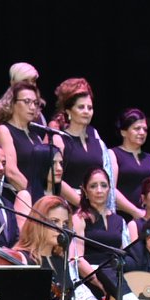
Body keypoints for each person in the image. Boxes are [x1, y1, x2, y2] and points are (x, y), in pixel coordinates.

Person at [72, 167, 133, 293]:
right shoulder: (79, 218)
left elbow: (125, 256)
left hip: (116, 278)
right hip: (90, 280)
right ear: (85, 191)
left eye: (103, 185)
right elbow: (77, 260)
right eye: (93, 186)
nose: (99, 190)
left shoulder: (119, 220)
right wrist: (101, 284)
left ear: (109, 189)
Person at [52, 77, 110, 210]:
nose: (86, 111)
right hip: (67, 207)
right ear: (69, 111)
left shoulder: (97, 142)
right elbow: (55, 179)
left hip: (96, 207)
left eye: (90, 108)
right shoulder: (60, 139)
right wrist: (83, 204)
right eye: (81, 107)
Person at [0, 79, 55, 199]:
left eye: (35, 103)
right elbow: (11, 172)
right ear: (12, 103)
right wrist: (37, 197)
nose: (32, 107)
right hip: (17, 198)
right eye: (27, 101)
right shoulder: (4, 130)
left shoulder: (35, 135)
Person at [109, 108, 150, 221]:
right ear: (123, 132)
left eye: (145, 129)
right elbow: (110, 189)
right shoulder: (112, 154)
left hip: (149, 220)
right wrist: (135, 212)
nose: (142, 133)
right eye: (137, 129)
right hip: (122, 218)